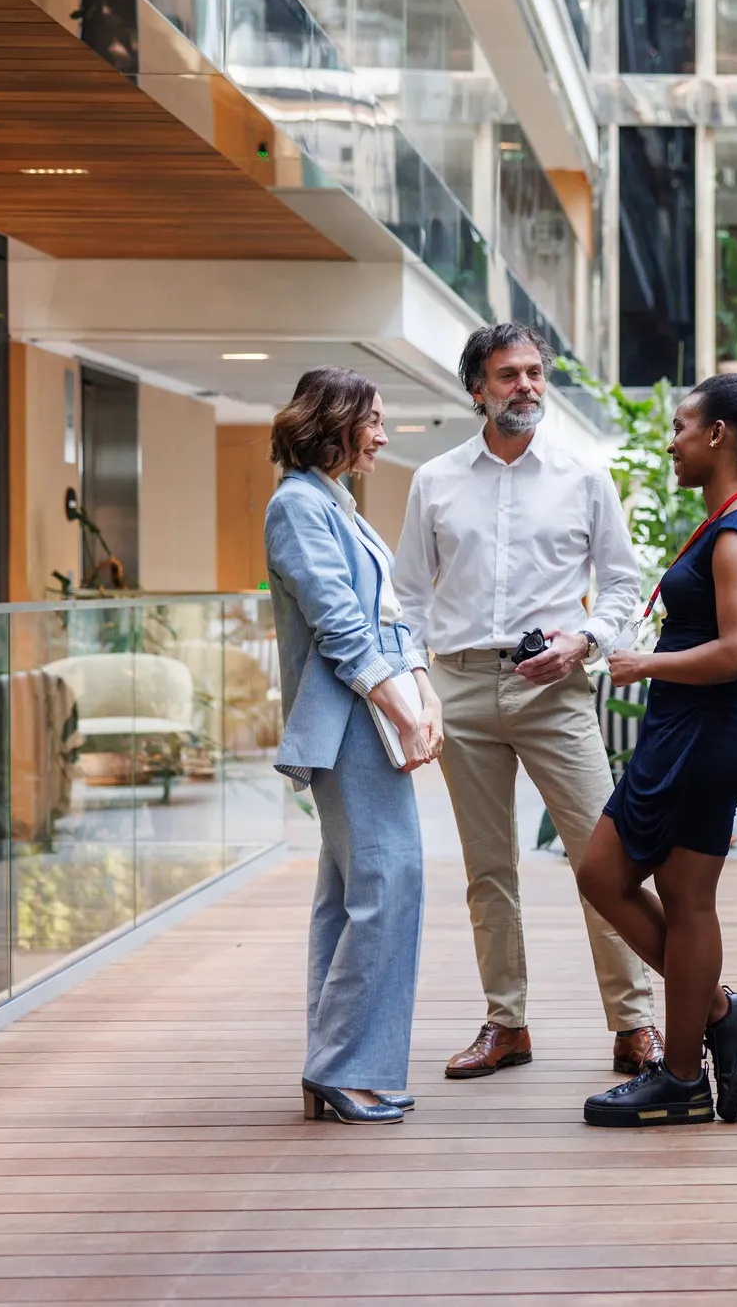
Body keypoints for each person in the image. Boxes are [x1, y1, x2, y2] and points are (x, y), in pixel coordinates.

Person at [394, 322, 662, 1079]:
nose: (527, 387)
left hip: (558, 690)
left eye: (536, 373)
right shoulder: (435, 481)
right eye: (509, 375)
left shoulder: (583, 477)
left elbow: (620, 585)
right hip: (462, 685)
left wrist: (585, 640)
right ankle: (506, 1024)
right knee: (488, 869)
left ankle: (634, 1025)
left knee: (602, 859)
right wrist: (421, 685)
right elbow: (408, 596)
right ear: (477, 388)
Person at [576, 369, 737, 1128]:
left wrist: (645, 663)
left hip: (707, 728)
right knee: (676, 898)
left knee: (608, 875)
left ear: (718, 436)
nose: (671, 442)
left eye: (681, 428)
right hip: (703, 728)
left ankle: (683, 1072)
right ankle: (713, 1017)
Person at [265, 367, 441, 1126]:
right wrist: (404, 710)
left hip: (364, 719)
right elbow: (341, 627)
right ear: (332, 422)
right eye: (372, 419)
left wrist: (422, 689)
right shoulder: (297, 507)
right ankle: (342, 1068)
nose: (382, 433)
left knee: (352, 895)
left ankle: (336, 1065)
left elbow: (389, 613)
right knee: (388, 885)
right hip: (348, 725)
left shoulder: (336, 504)